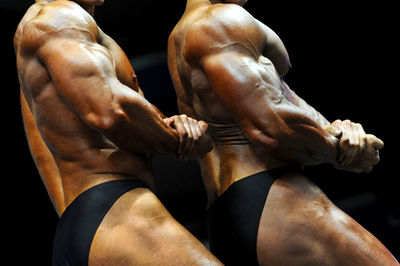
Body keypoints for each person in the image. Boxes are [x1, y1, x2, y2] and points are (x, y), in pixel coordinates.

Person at [167, 0, 399, 265]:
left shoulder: (182, 33)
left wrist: (338, 132)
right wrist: (339, 150)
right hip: (274, 196)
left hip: (231, 211)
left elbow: (276, 96)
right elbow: (271, 125)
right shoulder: (218, 20)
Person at [14, 0, 223, 265]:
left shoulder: (36, 28)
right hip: (117, 208)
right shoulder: (60, 18)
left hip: (87, 217)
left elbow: (43, 143)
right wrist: (182, 141)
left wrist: (172, 124)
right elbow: (109, 111)